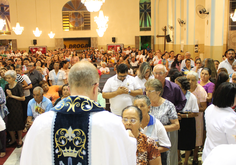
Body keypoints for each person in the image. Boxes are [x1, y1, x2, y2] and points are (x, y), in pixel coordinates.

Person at [20, 61, 137, 165]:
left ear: (69, 88)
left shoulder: (41, 122)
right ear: (95, 88)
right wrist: (130, 139)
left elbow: (28, 159)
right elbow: (125, 156)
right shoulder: (112, 123)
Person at [153, 64, 186, 165]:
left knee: (170, 152)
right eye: (155, 73)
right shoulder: (150, 87)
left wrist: (172, 112)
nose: (158, 76)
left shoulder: (174, 87)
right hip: (153, 126)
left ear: (166, 73)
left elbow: (182, 102)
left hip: (170, 125)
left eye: (160, 73)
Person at [145, 78, 179, 165]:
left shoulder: (168, 105)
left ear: (158, 92)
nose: (147, 93)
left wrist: (158, 128)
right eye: (146, 90)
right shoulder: (144, 104)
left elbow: (176, 125)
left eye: (150, 91)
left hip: (163, 141)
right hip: (146, 141)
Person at [202, 82, 236, 161]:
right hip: (223, 157)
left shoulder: (210, 108)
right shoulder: (230, 118)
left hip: (209, 153)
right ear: (230, 98)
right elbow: (233, 143)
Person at [133, 95, 171, 165]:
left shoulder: (157, 124)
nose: (139, 108)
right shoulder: (130, 125)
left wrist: (147, 151)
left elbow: (166, 146)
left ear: (149, 108)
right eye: (136, 106)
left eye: (142, 106)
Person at [175, 76, 199, 165]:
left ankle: (186, 161)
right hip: (177, 119)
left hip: (188, 121)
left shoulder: (192, 97)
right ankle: (178, 159)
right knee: (177, 141)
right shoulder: (175, 95)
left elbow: (196, 113)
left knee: (188, 142)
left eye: (178, 85)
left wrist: (183, 116)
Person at [186, 71, 207, 164]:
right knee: (188, 136)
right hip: (186, 117)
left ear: (197, 80)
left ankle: (195, 157)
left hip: (197, 117)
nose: (190, 82)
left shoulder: (200, 91)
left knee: (197, 136)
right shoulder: (185, 89)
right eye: (188, 80)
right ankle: (188, 153)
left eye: (192, 80)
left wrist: (193, 108)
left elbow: (204, 108)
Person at [4, 70, 25, 148]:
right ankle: (13, 139)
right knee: (9, 124)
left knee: (18, 123)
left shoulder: (18, 85)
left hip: (17, 107)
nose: (7, 80)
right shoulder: (6, 86)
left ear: (13, 78)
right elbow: (5, 98)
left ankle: (19, 139)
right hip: (9, 107)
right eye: (6, 78)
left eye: (9, 78)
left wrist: (12, 96)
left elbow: (23, 98)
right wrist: (8, 96)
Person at [0, 87, 8, 157]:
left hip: (1, 113)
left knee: (2, 133)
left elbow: (3, 101)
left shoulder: (0, 89)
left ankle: (3, 149)